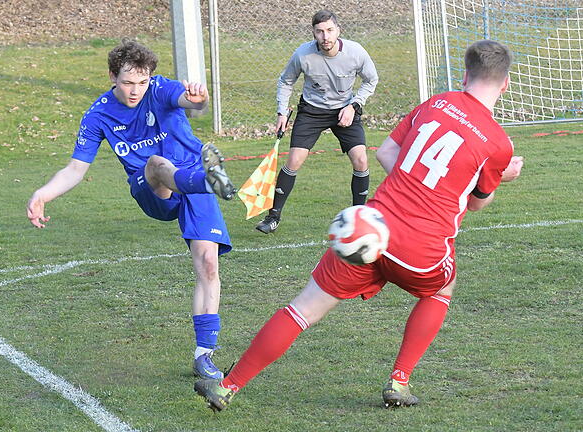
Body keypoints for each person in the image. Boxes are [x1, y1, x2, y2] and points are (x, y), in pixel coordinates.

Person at [195, 39, 524, 411]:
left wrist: (410, 185)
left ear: (465, 75)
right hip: (422, 250)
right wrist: (505, 176)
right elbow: (477, 202)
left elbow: (385, 152)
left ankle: (227, 386)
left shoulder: (435, 103)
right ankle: (398, 382)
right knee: (441, 289)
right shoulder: (499, 143)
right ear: (506, 84)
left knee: (303, 308)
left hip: (369, 225)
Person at [27, 40, 237, 380]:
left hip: (196, 177)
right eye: (127, 82)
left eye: (141, 82)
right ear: (112, 76)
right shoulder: (99, 115)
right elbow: (75, 169)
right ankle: (205, 180)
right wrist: (43, 193)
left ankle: (203, 355)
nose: (135, 90)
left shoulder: (159, 87)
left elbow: (188, 100)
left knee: (208, 264)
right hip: (153, 187)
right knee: (156, 163)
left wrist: (199, 97)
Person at [256, 9, 379, 234]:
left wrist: (355, 105)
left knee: (361, 160)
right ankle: (273, 217)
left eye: (330, 30)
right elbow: (286, 81)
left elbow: (371, 80)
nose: (326, 37)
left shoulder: (356, 52)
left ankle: (358, 219)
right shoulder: (303, 54)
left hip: (345, 110)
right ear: (313, 33)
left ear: (338, 31)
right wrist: (282, 112)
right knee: (294, 160)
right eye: (320, 31)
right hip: (312, 110)